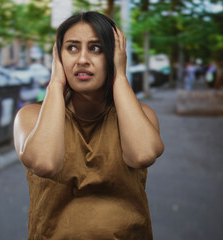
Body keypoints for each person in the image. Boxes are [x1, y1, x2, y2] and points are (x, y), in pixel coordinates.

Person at [13, 11, 164, 239]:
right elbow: (45, 163)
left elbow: (142, 155)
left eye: (96, 48)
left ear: (114, 56)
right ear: (58, 57)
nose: (82, 59)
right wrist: (55, 82)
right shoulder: (30, 117)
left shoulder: (142, 115)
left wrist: (120, 78)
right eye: (72, 48)